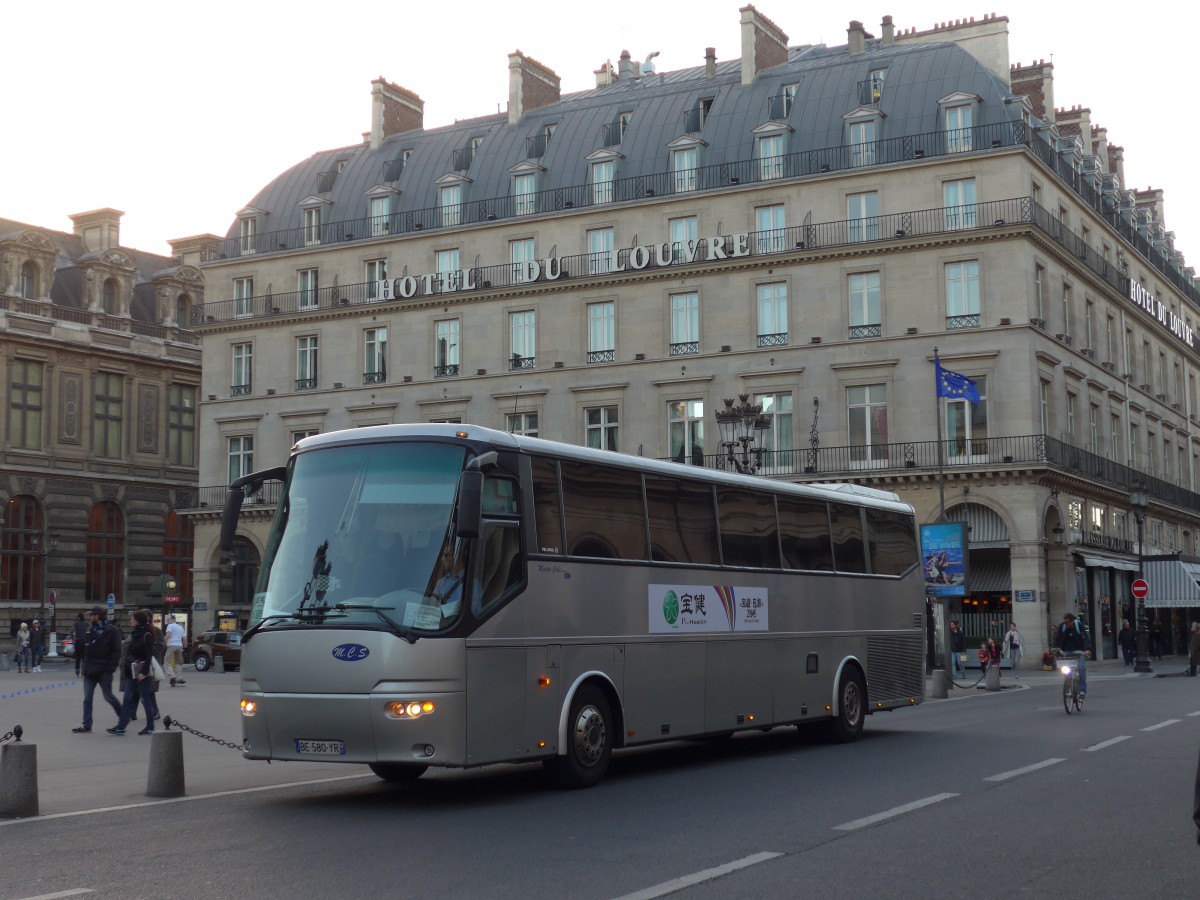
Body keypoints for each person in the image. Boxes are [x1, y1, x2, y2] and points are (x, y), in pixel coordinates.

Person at [109, 610, 159, 736]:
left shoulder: (147, 634)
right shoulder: (136, 633)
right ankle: (121, 726)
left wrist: (143, 672)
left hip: (142, 671)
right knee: (127, 698)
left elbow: (149, 655)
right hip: (131, 671)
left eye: (132, 619)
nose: (130, 621)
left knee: (144, 699)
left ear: (138, 621)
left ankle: (150, 726)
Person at [73, 606, 123, 733]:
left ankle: (123, 718)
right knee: (87, 699)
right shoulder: (91, 630)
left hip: (104, 671)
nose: (90, 617)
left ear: (98, 616)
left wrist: (110, 669)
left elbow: (117, 651)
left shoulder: (112, 630)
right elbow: (87, 651)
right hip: (90, 671)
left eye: (92, 615)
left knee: (109, 697)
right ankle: (87, 725)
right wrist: (85, 669)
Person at [1052, 612, 1092, 698]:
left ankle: (1082, 690)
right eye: (1064, 622)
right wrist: (1054, 647)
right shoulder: (1062, 626)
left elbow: (1085, 638)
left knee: (1081, 669)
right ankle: (1069, 686)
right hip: (1066, 652)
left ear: (1072, 621)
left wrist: (1087, 649)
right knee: (1066, 670)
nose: (1065, 624)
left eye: (1067, 623)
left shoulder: (1079, 626)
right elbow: (1057, 638)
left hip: (1079, 652)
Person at [164, 614, 187, 686]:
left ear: (173, 619)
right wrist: (184, 646)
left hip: (172, 645)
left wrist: (163, 641)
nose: (167, 621)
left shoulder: (170, 626)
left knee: (167, 662)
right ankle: (179, 678)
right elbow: (184, 638)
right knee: (179, 662)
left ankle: (172, 676)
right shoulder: (180, 627)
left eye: (168, 619)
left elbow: (168, 635)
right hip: (179, 646)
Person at [72, 611, 88, 677]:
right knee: (83, 658)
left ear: (78, 617)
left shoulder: (76, 623)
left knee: (77, 658)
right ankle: (83, 673)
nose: (75, 617)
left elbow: (72, 630)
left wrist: (73, 638)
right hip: (84, 642)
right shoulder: (86, 623)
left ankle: (77, 671)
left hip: (78, 642)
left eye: (76, 616)